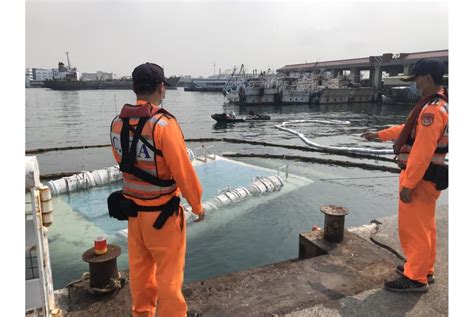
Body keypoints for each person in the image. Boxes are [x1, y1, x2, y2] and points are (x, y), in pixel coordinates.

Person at [110, 62, 205, 316]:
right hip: (163, 217)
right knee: (169, 277)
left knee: (140, 273)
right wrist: (196, 204)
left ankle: (142, 314)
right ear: (161, 88)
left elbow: (122, 162)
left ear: (134, 88)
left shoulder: (117, 124)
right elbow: (182, 170)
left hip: (134, 215)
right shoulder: (164, 125)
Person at [361, 58, 448, 293]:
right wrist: (379, 135)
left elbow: (421, 152)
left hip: (419, 180)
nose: (414, 84)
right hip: (430, 179)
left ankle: (415, 278)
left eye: (416, 78)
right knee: (425, 226)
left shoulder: (431, 110)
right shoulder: (437, 105)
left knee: (413, 230)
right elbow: (408, 130)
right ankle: (423, 268)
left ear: (427, 78)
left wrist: (408, 185)